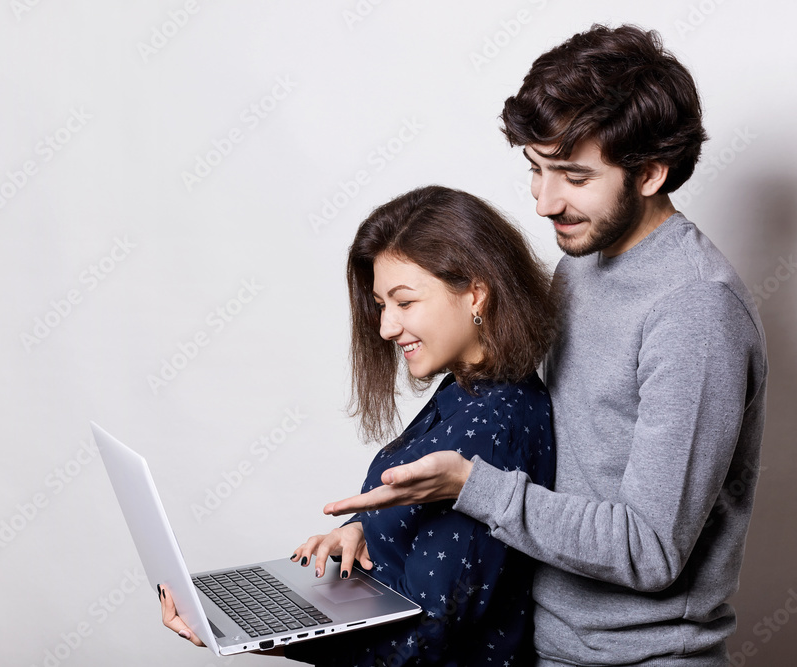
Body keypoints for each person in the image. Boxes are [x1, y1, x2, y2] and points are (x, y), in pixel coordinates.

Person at [323, 25, 768, 667]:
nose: (544, 201)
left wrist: (473, 486)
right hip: (544, 646)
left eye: (572, 175)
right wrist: (380, 532)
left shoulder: (694, 311)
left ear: (650, 173)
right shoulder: (582, 263)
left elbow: (649, 549)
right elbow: (534, 434)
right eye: (536, 169)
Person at [161, 185, 559, 665]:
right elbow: (432, 536)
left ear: (475, 293)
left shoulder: (492, 426)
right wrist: (365, 530)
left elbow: (424, 644)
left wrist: (278, 634)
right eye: (381, 305)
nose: (386, 328)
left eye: (405, 302)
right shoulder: (468, 388)